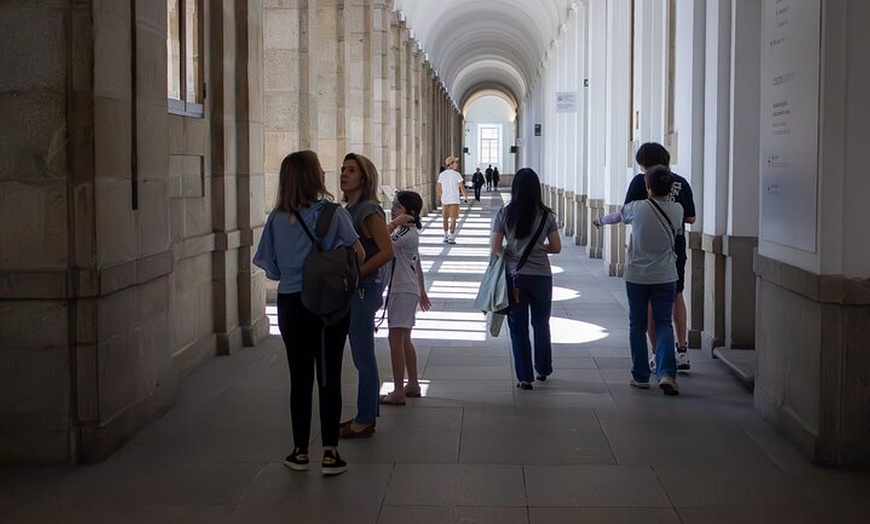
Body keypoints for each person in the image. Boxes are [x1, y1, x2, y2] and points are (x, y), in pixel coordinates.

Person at [253, 150, 363, 475]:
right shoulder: (332, 213)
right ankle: (330, 452)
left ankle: (300, 451)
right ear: (313, 177)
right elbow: (356, 252)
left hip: (290, 303)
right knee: (329, 375)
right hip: (329, 304)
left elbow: (269, 267)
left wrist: (294, 269)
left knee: (299, 377)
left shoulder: (274, 219)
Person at [594, 165, 684, 395]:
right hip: (665, 276)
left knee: (637, 324)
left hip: (637, 276)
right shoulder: (678, 210)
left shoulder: (637, 207)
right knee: (663, 324)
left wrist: (600, 221)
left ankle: (641, 375)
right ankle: (666, 373)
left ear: (648, 186)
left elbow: (616, 216)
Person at [623, 142, 696, 372]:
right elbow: (691, 218)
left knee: (652, 307)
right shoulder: (681, 182)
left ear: (644, 164)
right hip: (676, 248)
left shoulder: (640, 182)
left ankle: (658, 356)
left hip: (646, 250)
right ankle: (682, 350)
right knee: (676, 294)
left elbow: (628, 212)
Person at [491, 168, 561, 390]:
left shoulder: (504, 213)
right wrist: (539, 250)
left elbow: (495, 247)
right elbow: (557, 248)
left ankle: (524, 377)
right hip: (542, 277)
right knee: (541, 323)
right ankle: (543, 368)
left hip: (515, 278)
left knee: (518, 326)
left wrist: (512, 255)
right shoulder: (546, 215)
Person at [339, 152, 394, 438]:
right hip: (354, 289)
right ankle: (367, 413)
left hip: (362, 289)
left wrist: (358, 273)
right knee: (363, 354)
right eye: (343, 169)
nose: (344, 174)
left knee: (363, 356)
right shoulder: (348, 209)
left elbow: (387, 251)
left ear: (364, 177)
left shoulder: (369, 211)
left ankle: (363, 419)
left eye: (351, 170)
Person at [380, 191, 432, 405]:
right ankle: (412, 384)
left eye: (397, 206)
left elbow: (380, 241)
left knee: (395, 339)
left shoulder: (403, 233)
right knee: (405, 338)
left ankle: (399, 390)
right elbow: (417, 264)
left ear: (409, 212)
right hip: (408, 289)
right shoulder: (409, 232)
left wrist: (393, 223)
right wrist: (422, 291)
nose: (393, 209)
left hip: (401, 290)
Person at [437, 155, 469, 244]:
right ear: (451, 164)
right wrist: (466, 197)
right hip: (454, 199)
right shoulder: (457, 174)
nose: (457, 164)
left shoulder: (442, 175)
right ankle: (451, 237)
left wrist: (441, 197)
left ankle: (445, 236)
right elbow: (462, 187)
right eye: (455, 162)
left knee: (445, 219)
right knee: (453, 219)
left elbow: (439, 188)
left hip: (445, 200)